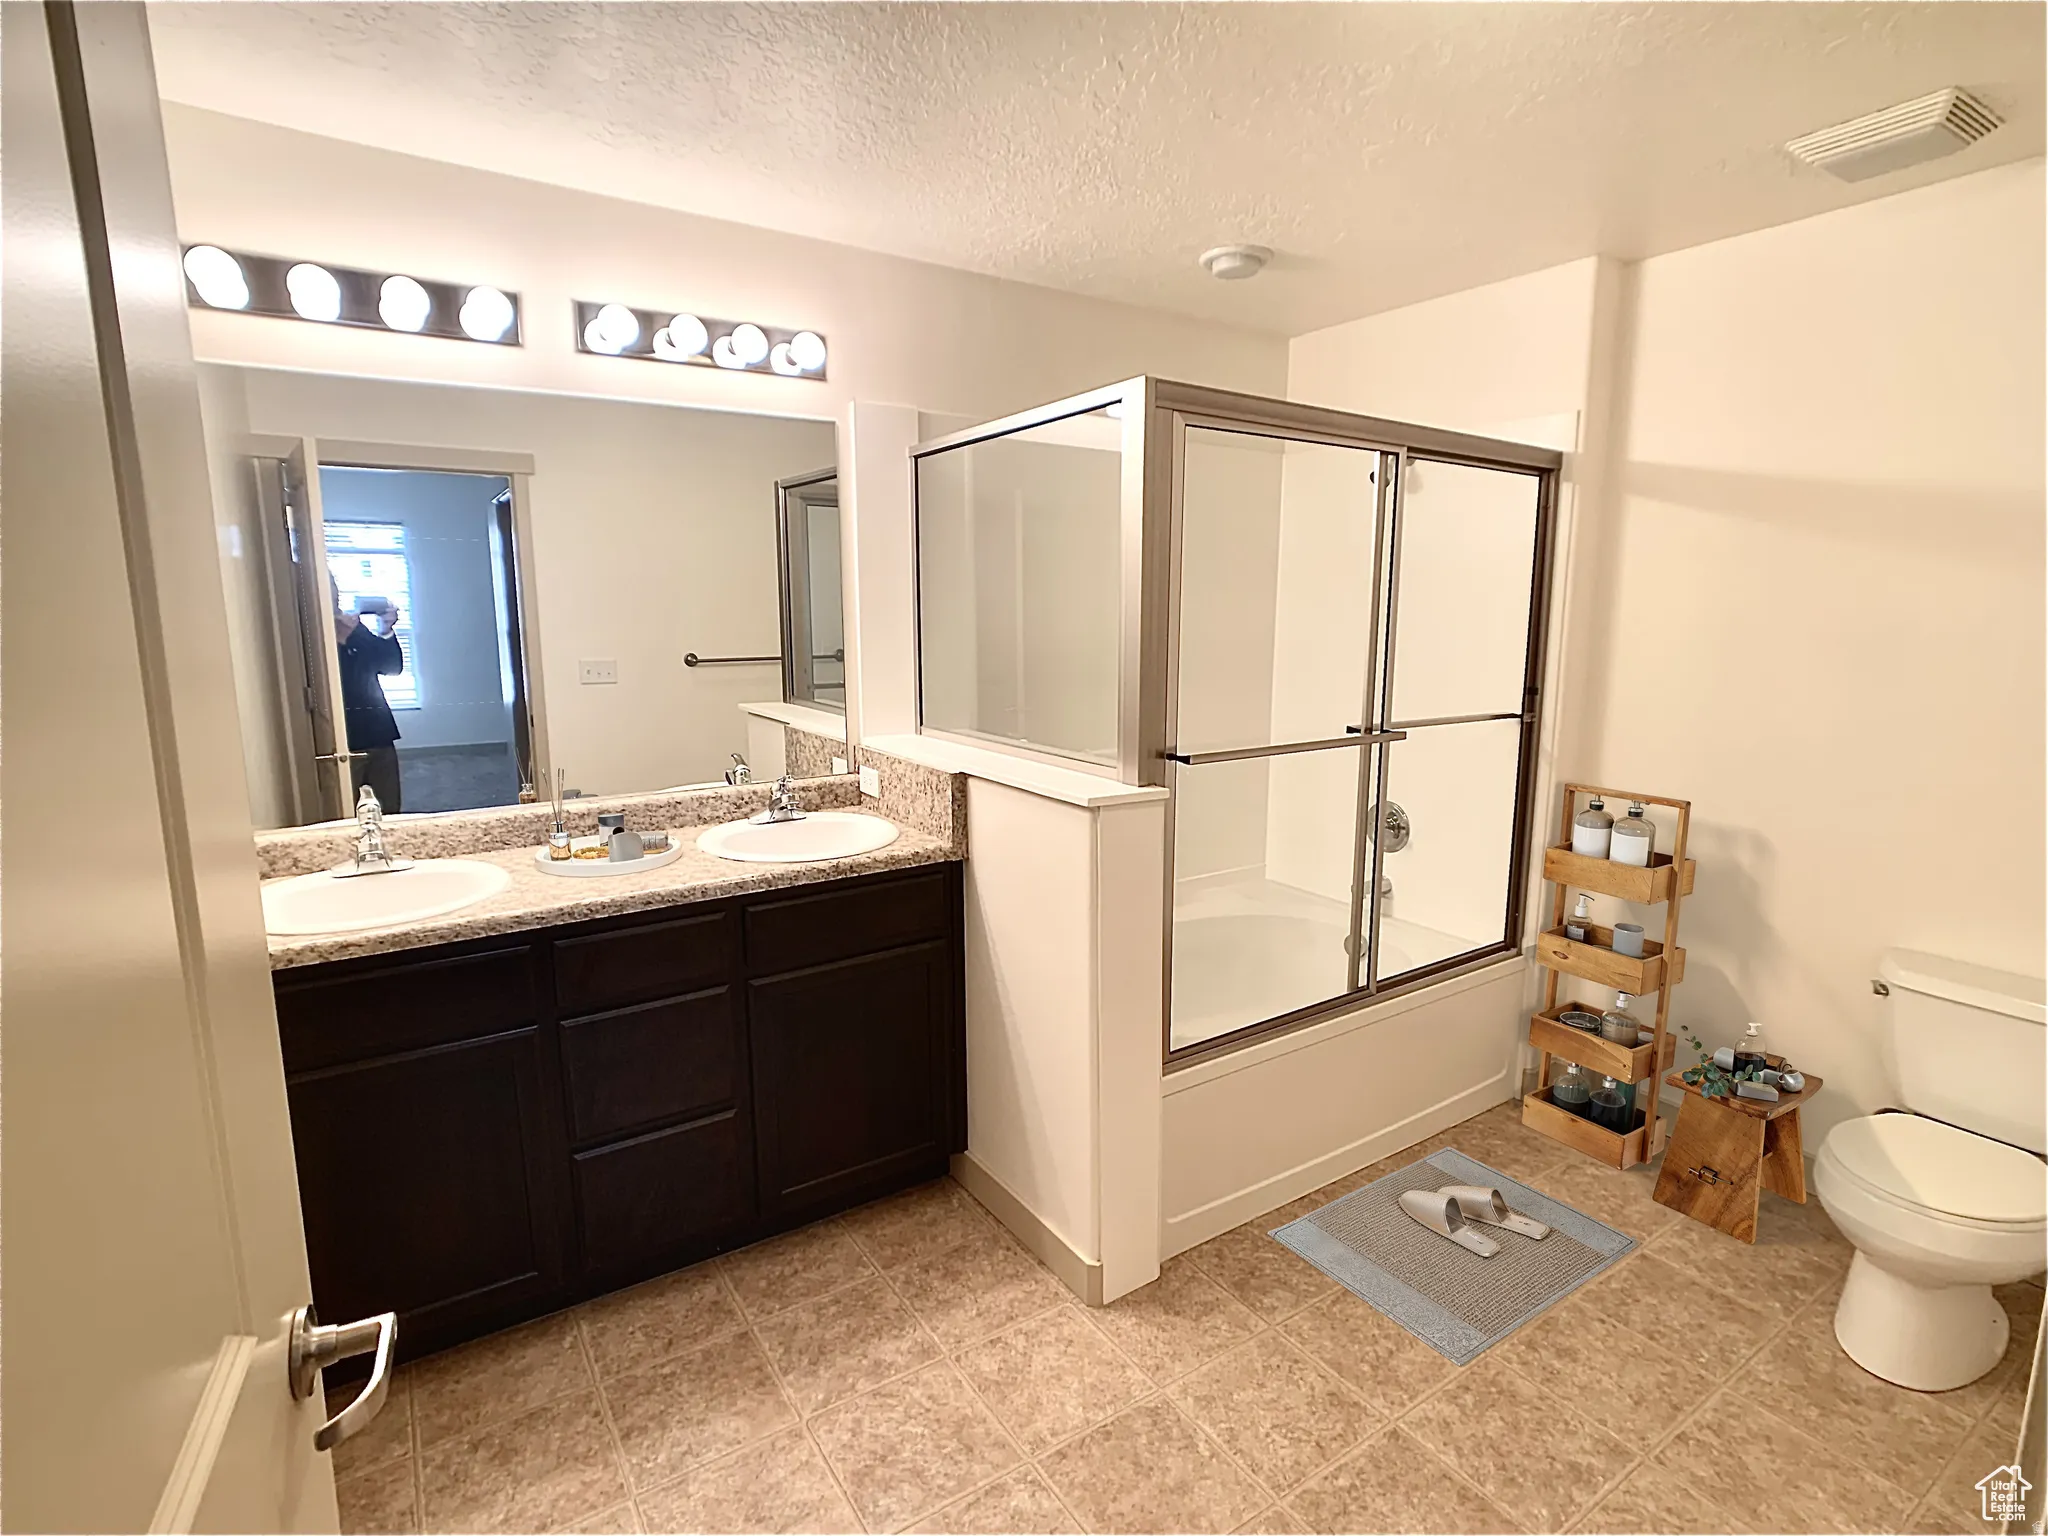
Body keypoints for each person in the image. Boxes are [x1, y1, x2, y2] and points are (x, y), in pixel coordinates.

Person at [332, 579, 405, 813]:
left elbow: (391, 667)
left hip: (378, 733)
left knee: (389, 808)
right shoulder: (309, 631)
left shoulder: (356, 629)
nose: (334, 593)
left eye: (334, 585)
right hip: (340, 742)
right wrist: (340, 641)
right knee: (345, 813)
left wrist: (385, 630)